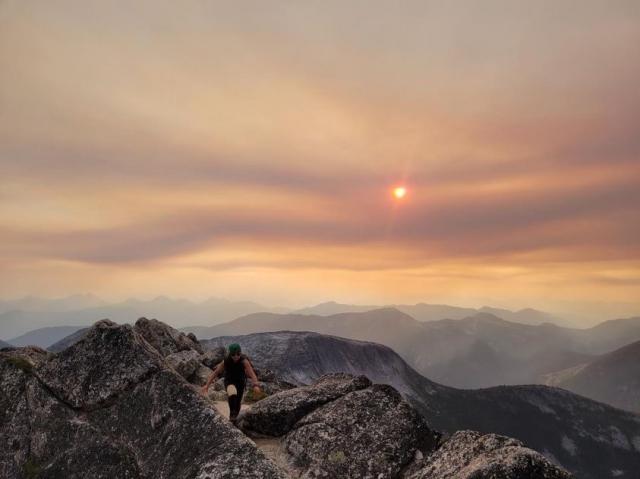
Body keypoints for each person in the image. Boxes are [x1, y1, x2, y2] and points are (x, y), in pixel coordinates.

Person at [201, 343, 261, 423]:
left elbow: (252, 373)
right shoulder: (226, 361)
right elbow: (215, 373)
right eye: (233, 354)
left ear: (240, 353)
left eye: (238, 354)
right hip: (229, 381)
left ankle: (234, 418)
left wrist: (255, 385)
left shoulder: (244, 361)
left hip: (240, 382)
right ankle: (232, 415)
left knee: (237, 402)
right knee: (232, 393)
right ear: (230, 354)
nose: (236, 356)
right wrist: (207, 386)